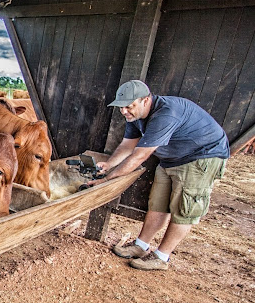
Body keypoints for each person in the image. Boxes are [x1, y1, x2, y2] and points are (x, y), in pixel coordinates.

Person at [90, 80, 229, 270]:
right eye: (121, 107)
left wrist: (106, 181)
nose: (124, 112)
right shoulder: (134, 116)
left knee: (184, 210)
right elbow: (128, 145)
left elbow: (140, 155)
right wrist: (109, 164)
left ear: (145, 100)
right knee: (158, 203)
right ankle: (140, 246)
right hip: (171, 159)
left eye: (129, 106)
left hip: (201, 157)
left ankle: (161, 257)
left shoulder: (166, 113)